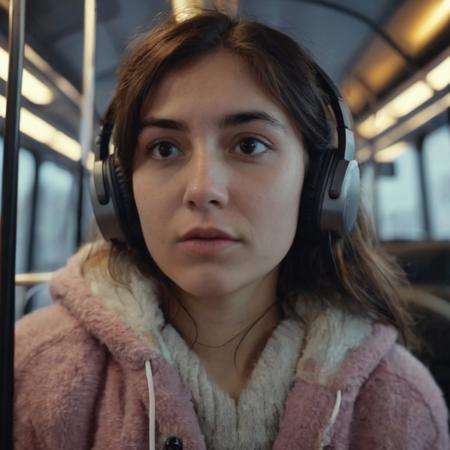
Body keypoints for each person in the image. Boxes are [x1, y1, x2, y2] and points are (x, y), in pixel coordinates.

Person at [14, 8, 449, 450]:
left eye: (249, 145)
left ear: (321, 182)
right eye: (164, 148)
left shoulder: (403, 403)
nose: (203, 190)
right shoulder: (32, 371)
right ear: (118, 190)